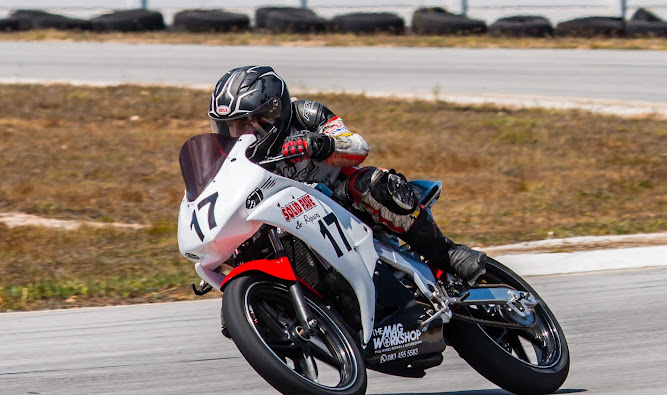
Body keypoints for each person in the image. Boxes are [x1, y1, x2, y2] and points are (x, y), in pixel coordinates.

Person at [208, 65, 486, 284]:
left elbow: (357, 145)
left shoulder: (304, 114)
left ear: (271, 113)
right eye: (227, 126)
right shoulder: (234, 157)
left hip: (343, 203)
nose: (235, 134)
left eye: (243, 124)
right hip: (287, 219)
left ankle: (446, 253)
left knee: (370, 185)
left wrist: (321, 144)